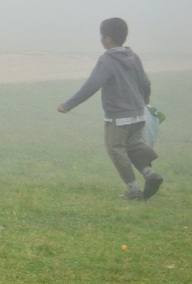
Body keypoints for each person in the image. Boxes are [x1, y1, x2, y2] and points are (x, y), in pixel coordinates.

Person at [57, 17, 163, 200]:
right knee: (133, 144)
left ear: (107, 39)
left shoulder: (107, 60)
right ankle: (149, 173)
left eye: (101, 36)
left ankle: (133, 190)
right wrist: (143, 101)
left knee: (115, 148)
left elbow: (92, 85)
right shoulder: (133, 57)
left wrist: (68, 104)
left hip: (118, 117)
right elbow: (145, 82)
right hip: (138, 113)